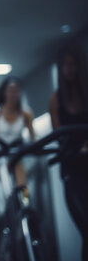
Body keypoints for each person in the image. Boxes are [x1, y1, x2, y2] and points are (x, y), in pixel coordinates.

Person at [48, 44, 88, 260]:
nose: (70, 69)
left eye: (74, 64)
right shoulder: (56, 100)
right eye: (66, 65)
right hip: (71, 167)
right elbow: (59, 134)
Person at [0, 76, 35, 185]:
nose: (13, 94)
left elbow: (33, 138)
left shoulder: (26, 113)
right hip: (0, 155)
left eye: (16, 90)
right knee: (4, 183)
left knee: (23, 183)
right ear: (4, 92)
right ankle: (8, 199)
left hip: (18, 154)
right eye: (10, 90)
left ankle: (24, 199)